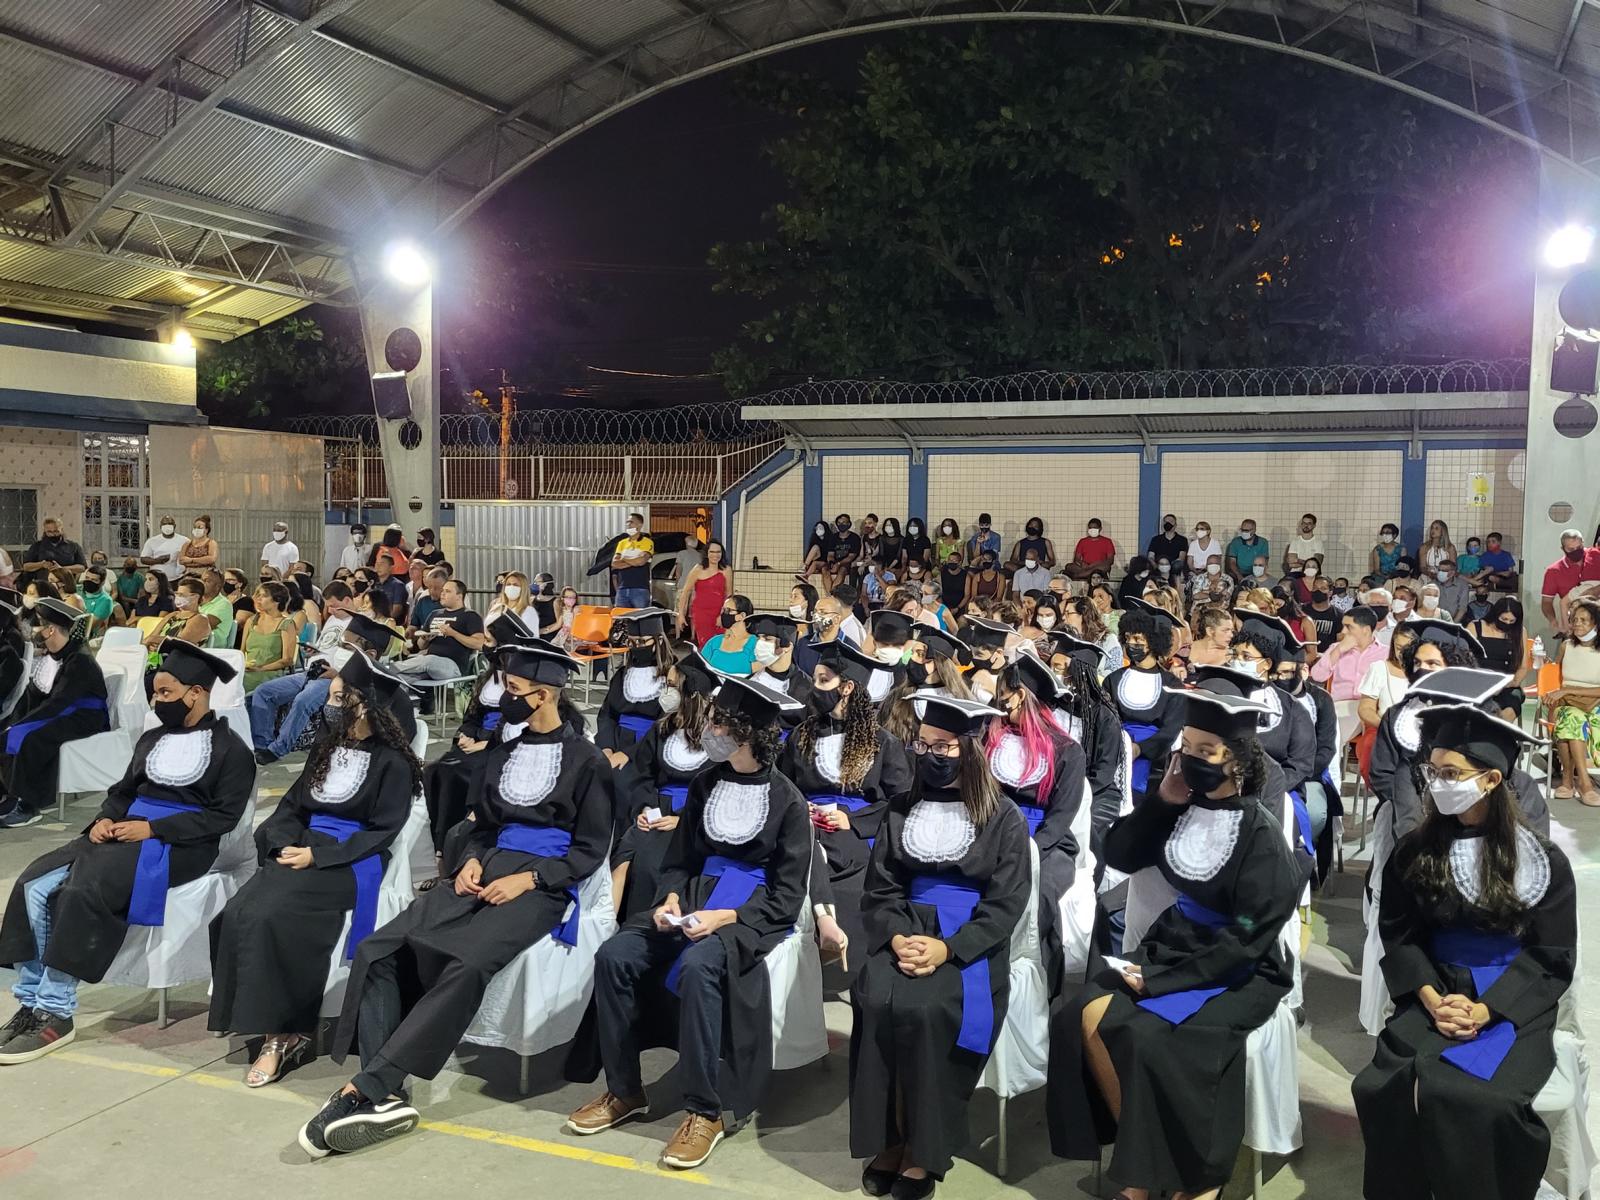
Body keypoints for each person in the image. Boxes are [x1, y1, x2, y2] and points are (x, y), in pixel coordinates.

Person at [300, 642, 609, 1156]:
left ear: (544, 695)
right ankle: (388, 1094)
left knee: (466, 964)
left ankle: (365, 1089)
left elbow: (590, 849)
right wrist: (471, 860)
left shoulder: (588, 761)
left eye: (514, 690)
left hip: (542, 886)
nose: (504, 698)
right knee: (380, 948)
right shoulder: (502, 754)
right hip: (483, 871)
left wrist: (531, 880)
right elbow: (483, 827)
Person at [1047, 687, 1299, 1200]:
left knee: (1152, 1040)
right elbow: (1120, 854)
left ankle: (1196, 1180)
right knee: (1080, 1016)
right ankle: (1145, 1163)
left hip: (1241, 967)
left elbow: (1247, 938)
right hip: (1172, 945)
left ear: (1236, 761)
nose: (1190, 759)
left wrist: (1160, 981)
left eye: (1206, 751)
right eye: (1187, 746)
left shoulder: (1261, 835)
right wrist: (1163, 800)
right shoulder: (1183, 808)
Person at [565, 674, 807, 1170]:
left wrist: (728, 916)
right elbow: (680, 860)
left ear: (746, 732)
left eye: (719, 724)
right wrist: (670, 897)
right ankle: (624, 1090)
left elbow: (787, 894)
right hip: (696, 897)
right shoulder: (705, 784)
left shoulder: (788, 800)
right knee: (614, 955)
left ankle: (705, 1110)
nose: (710, 731)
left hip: (750, 910)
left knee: (700, 966)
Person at [1353, 704, 1574, 1200]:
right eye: (1432, 771)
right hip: (1434, 986)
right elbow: (1400, 935)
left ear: (1492, 780)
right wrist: (1433, 1000)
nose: (1437, 783)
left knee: (1476, 1100)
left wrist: (1486, 1009)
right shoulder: (1414, 851)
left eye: (1451, 774)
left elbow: (1551, 955)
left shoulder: (1541, 861)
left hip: (1512, 997)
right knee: (1382, 1087)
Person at [0, 642, 252, 1058]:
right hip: (124, 830)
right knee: (33, 882)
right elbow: (123, 792)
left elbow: (221, 818)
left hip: (181, 845)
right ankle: (31, 1002)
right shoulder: (152, 739)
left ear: (196, 693)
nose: (157, 702)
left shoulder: (232, 751)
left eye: (166, 693)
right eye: (155, 693)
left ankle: (56, 1011)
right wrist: (104, 819)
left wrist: (152, 829)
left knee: (83, 890)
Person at [846, 691, 1028, 1199]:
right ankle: (889, 1137)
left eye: (944, 746)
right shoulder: (901, 808)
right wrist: (897, 936)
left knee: (927, 1012)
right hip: (906, 929)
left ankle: (923, 1150)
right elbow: (881, 887)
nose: (931, 755)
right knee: (874, 997)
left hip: (968, 941)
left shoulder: (1004, 816)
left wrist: (948, 949)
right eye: (924, 744)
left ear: (969, 750)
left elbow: (1006, 904)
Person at [208, 653, 420, 1086]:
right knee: (236, 913)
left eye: (340, 698)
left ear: (366, 706)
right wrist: (283, 842)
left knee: (273, 916)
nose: (330, 705)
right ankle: (253, 1017)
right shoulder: (327, 748)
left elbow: (382, 831)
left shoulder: (393, 763)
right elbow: (292, 806)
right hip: (302, 846)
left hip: (350, 859)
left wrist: (317, 857)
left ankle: (284, 1034)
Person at [780, 638, 911, 980]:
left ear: (848, 687)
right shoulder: (801, 735)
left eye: (823, 680)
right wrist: (801, 809)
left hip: (855, 833)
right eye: (815, 679)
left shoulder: (882, 742)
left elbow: (901, 802)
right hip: (806, 826)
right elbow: (783, 786)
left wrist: (850, 820)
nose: (815, 687)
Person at [989, 651, 1087, 978]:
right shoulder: (990, 737)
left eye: (1005, 695)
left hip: (1046, 842)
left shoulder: (1067, 751)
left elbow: (1060, 818)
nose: (1000, 702)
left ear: (1021, 696)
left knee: (1039, 889)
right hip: (993, 831)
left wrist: (1027, 849)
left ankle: (1031, 970)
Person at [609, 646, 720, 916]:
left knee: (649, 864)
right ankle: (607, 924)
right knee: (623, 856)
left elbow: (716, 793)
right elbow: (642, 775)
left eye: (671, 685)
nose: (665, 691)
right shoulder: (661, 729)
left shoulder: (718, 742)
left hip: (692, 820)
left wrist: (682, 820)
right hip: (656, 811)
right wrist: (645, 809)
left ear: (690, 693)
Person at [0, 599, 110, 829]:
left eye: (38, 625)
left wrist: (24, 725)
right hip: (61, 710)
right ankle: (10, 795)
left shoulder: (79, 659)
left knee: (33, 738)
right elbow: (32, 695)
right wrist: (16, 722)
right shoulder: (52, 656)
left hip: (84, 717)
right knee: (9, 733)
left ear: (50, 630)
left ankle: (29, 805)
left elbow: (60, 702)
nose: (34, 630)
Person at [249, 607, 394, 766]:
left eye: (347, 646)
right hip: (321, 671)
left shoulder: (373, 676)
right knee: (264, 692)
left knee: (303, 701)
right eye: (341, 643)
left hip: (341, 681)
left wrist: (339, 674)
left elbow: (358, 677)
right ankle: (261, 745)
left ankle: (277, 749)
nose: (341, 648)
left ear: (371, 654)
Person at [1102, 606, 1184, 805]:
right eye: (1128, 638)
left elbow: (1170, 730)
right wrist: (1120, 746)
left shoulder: (1172, 685)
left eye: (1138, 639)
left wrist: (1139, 749)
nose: (1132, 643)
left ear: (1153, 642)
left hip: (1153, 762)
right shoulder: (1113, 679)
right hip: (1116, 752)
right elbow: (1105, 718)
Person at [596, 608, 675, 767]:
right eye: (631, 642)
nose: (636, 647)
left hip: (652, 747)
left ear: (659, 640)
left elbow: (670, 724)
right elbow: (607, 714)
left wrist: (629, 754)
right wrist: (607, 747)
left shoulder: (673, 676)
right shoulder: (622, 675)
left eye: (641, 642)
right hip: (618, 741)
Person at [1546, 597, 1600, 806]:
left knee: (1574, 722)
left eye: (1583, 620)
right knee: (1571, 718)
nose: (1577, 624)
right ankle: (1584, 784)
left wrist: (1567, 690)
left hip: (1595, 704)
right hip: (1567, 704)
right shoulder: (1566, 646)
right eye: (1574, 619)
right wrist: (1554, 695)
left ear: (1596, 624)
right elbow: (1553, 678)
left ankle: (1568, 780)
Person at [391, 580, 485, 682]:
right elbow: (421, 646)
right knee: (398, 679)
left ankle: (389, 668)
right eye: (443, 590)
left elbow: (479, 644)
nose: (442, 594)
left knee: (428, 660)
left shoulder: (470, 615)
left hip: (453, 666)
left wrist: (453, 633)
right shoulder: (435, 614)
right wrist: (425, 639)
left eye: (447, 591)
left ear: (459, 596)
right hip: (428, 665)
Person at [1468, 596, 1532, 720]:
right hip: (1478, 683)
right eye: (1504, 619)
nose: (1507, 623)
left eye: (1512, 621)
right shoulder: (1475, 627)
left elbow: (1523, 667)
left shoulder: (1520, 631)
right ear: (1495, 614)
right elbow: (1463, 660)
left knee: (1510, 708)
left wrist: (1512, 682)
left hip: (1507, 685)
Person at [1359, 622, 1419, 732]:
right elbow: (1365, 709)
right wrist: (1385, 726)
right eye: (1399, 648)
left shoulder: (1427, 672)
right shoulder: (1379, 668)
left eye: (1408, 649)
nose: (1402, 654)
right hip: (1386, 730)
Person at [1540, 528, 1600, 636]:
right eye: (1571, 549)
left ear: (1583, 543)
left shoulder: (1595, 555)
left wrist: (1595, 590)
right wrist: (1553, 620)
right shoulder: (1553, 571)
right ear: (1563, 548)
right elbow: (1546, 602)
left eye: (1579, 547)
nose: (1576, 551)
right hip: (1575, 622)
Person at [240, 581, 298, 693]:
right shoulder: (251, 621)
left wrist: (260, 668)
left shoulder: (286, 624)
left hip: (270, 673)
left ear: (277, 600)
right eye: (258, 595)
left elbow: (287, 660)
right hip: (247, 671)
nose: (258, 599)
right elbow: (242, 652)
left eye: (264, 596)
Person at [676, 538, 731, 647]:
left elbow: (729, 595)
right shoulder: (698, 569)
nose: (715, 555)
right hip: (701, 613)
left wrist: (723, 615)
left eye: (718, 552)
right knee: (705, 644)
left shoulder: (726, 570)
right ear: (707, 553)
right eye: (712, 552)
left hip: (720, 613)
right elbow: (685, 592)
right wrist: (681, 614)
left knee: (722, 644)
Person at [20, 517, 85, 590]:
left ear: (61, 530)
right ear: (45, 531)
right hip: (43, 587)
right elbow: (26, 566)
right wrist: (41, 564)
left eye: (56, 531)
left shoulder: (73, 546)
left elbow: (82, 567)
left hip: (67, 587)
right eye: (49, 532)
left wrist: (62, 568)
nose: (53, 534)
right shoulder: (37, 546)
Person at [701, 593, 756, 676]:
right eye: (723, 610)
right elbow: (700, 668)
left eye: (727, 610)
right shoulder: (714, 641)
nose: (723, 614)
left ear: (742, 616)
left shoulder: (755, 644)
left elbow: (758, 678)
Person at [611, 513, 655, 609]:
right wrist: (634, 561)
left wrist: (623, 558)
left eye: (631, 522)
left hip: (640, 589)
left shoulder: (647, 542)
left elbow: (641, 561)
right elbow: (614, 563)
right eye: (627, 522)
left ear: (640, 524)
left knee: (640, 616)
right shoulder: (622, 543)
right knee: (620, 616)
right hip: (622, 589)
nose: (628, 525)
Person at [1224, 518, 1269, 582]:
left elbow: (1264, 562)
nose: (1244, 532)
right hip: (1237, 574)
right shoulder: (1236, 542)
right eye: (1242, 530)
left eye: (1246, 530)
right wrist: (1239, 576)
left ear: (1254, 530)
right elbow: (1232, 562)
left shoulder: (1263, 542)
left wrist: (1257, 576)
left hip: (1255, 573)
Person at [1145, 514, 1188, 581]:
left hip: (1174, 567)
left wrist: (1168, 566)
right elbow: (1150, 556)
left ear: (1175, 525)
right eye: (1165, 522)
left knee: (1178, 565)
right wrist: (1156, 565)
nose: (1168, 523)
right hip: (1159, 566)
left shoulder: (1182, 540)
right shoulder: (1155, 539)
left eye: (1170, 521)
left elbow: (1181, 558)